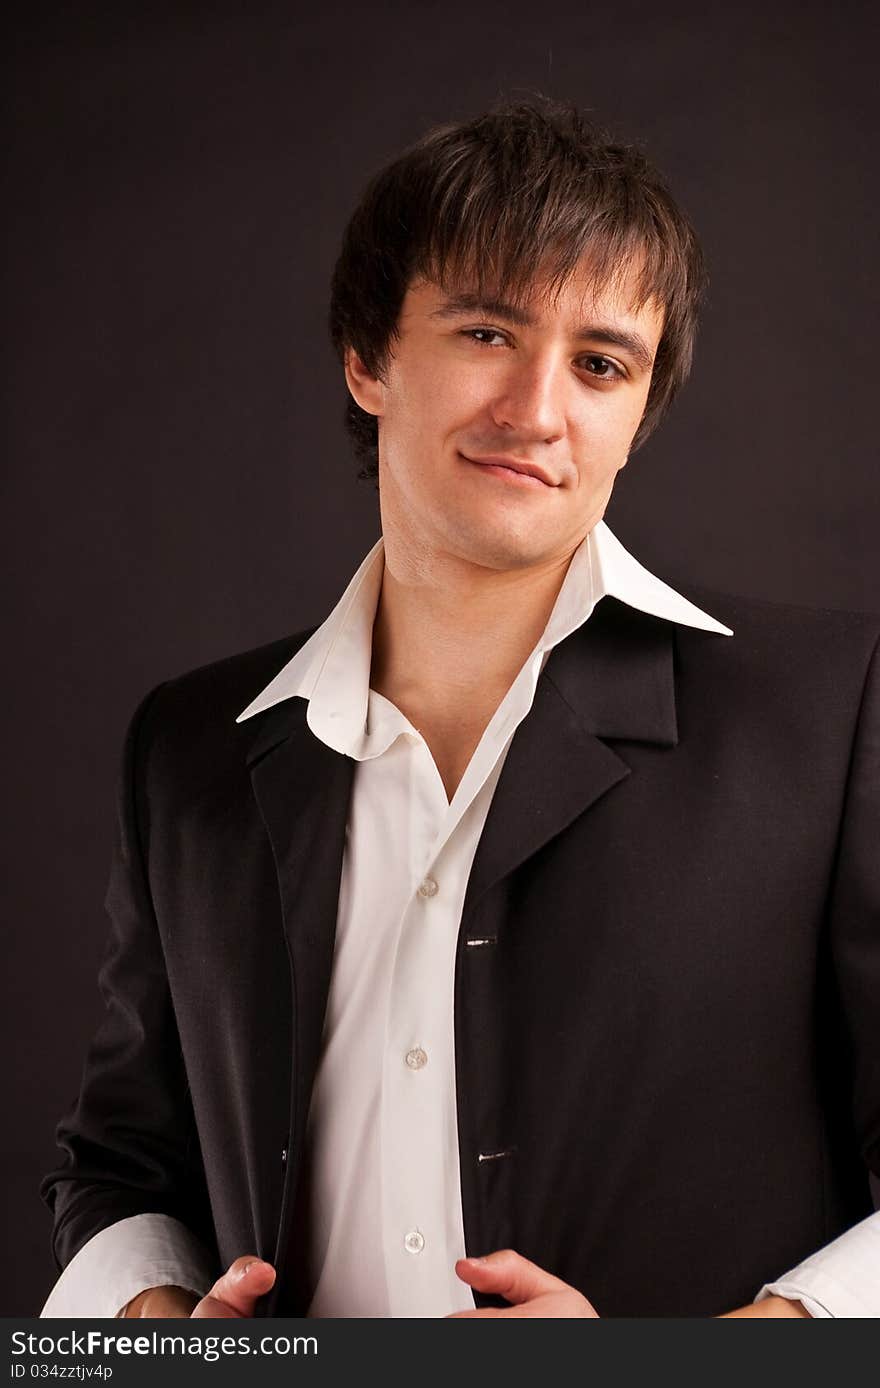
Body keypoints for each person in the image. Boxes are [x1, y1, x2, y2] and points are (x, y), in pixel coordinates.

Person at [41, 99, 879, 1319]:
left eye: (601, 363)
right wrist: (153, 1327)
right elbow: (118, 1163)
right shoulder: (189, 746)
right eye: (488, 330)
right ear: (367, 355)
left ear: (636, 416)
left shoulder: (828, 707)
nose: (537, 409)